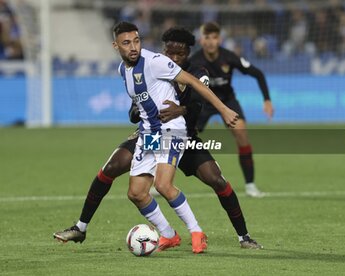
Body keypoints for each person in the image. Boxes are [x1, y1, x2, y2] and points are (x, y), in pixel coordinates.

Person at [53, 25, 262, 251]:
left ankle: (244, 236)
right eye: (169, 52)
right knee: (115, 169)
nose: (173, 57)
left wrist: (182, 110)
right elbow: (139, 103)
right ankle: (81, 227)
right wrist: (136, 112)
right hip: (152, 133)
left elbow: (197, 105)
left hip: (184, 137)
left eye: (179, 54)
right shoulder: (140, 67)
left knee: (215, 180)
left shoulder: (196, 71)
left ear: (187, 54)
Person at [189, 22, 274, 198]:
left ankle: (250, 185)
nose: (211, 41)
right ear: (201, 40)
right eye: (207, 37)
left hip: (227, 102)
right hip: (203, 104)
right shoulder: (194, 61)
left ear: (219, 39)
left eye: (214, 37)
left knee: (241, 133)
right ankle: (161, 182)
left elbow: (258, 73)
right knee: (181, 137)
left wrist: (267, 100)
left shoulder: (229, 57)